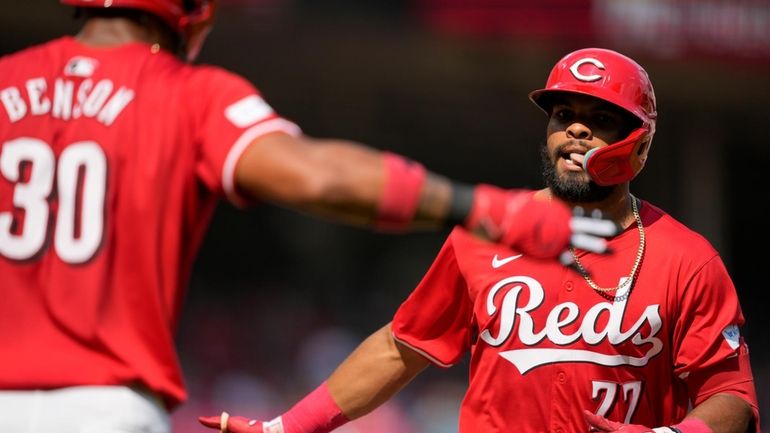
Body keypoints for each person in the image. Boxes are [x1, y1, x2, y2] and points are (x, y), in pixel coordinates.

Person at [0, 1, 616, 433]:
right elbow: (317, 177)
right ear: (189, 10)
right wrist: (478, 205)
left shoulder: (6, 81)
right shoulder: (188, 92)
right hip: (101, 410)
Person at [199, 48, 762, 433]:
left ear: (640, 146)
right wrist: (287, 426)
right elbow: (403, 345)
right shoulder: (486, 235)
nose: (576, 129)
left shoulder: (687, 258)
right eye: (564, 113)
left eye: (601, 118)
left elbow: (732, 396)